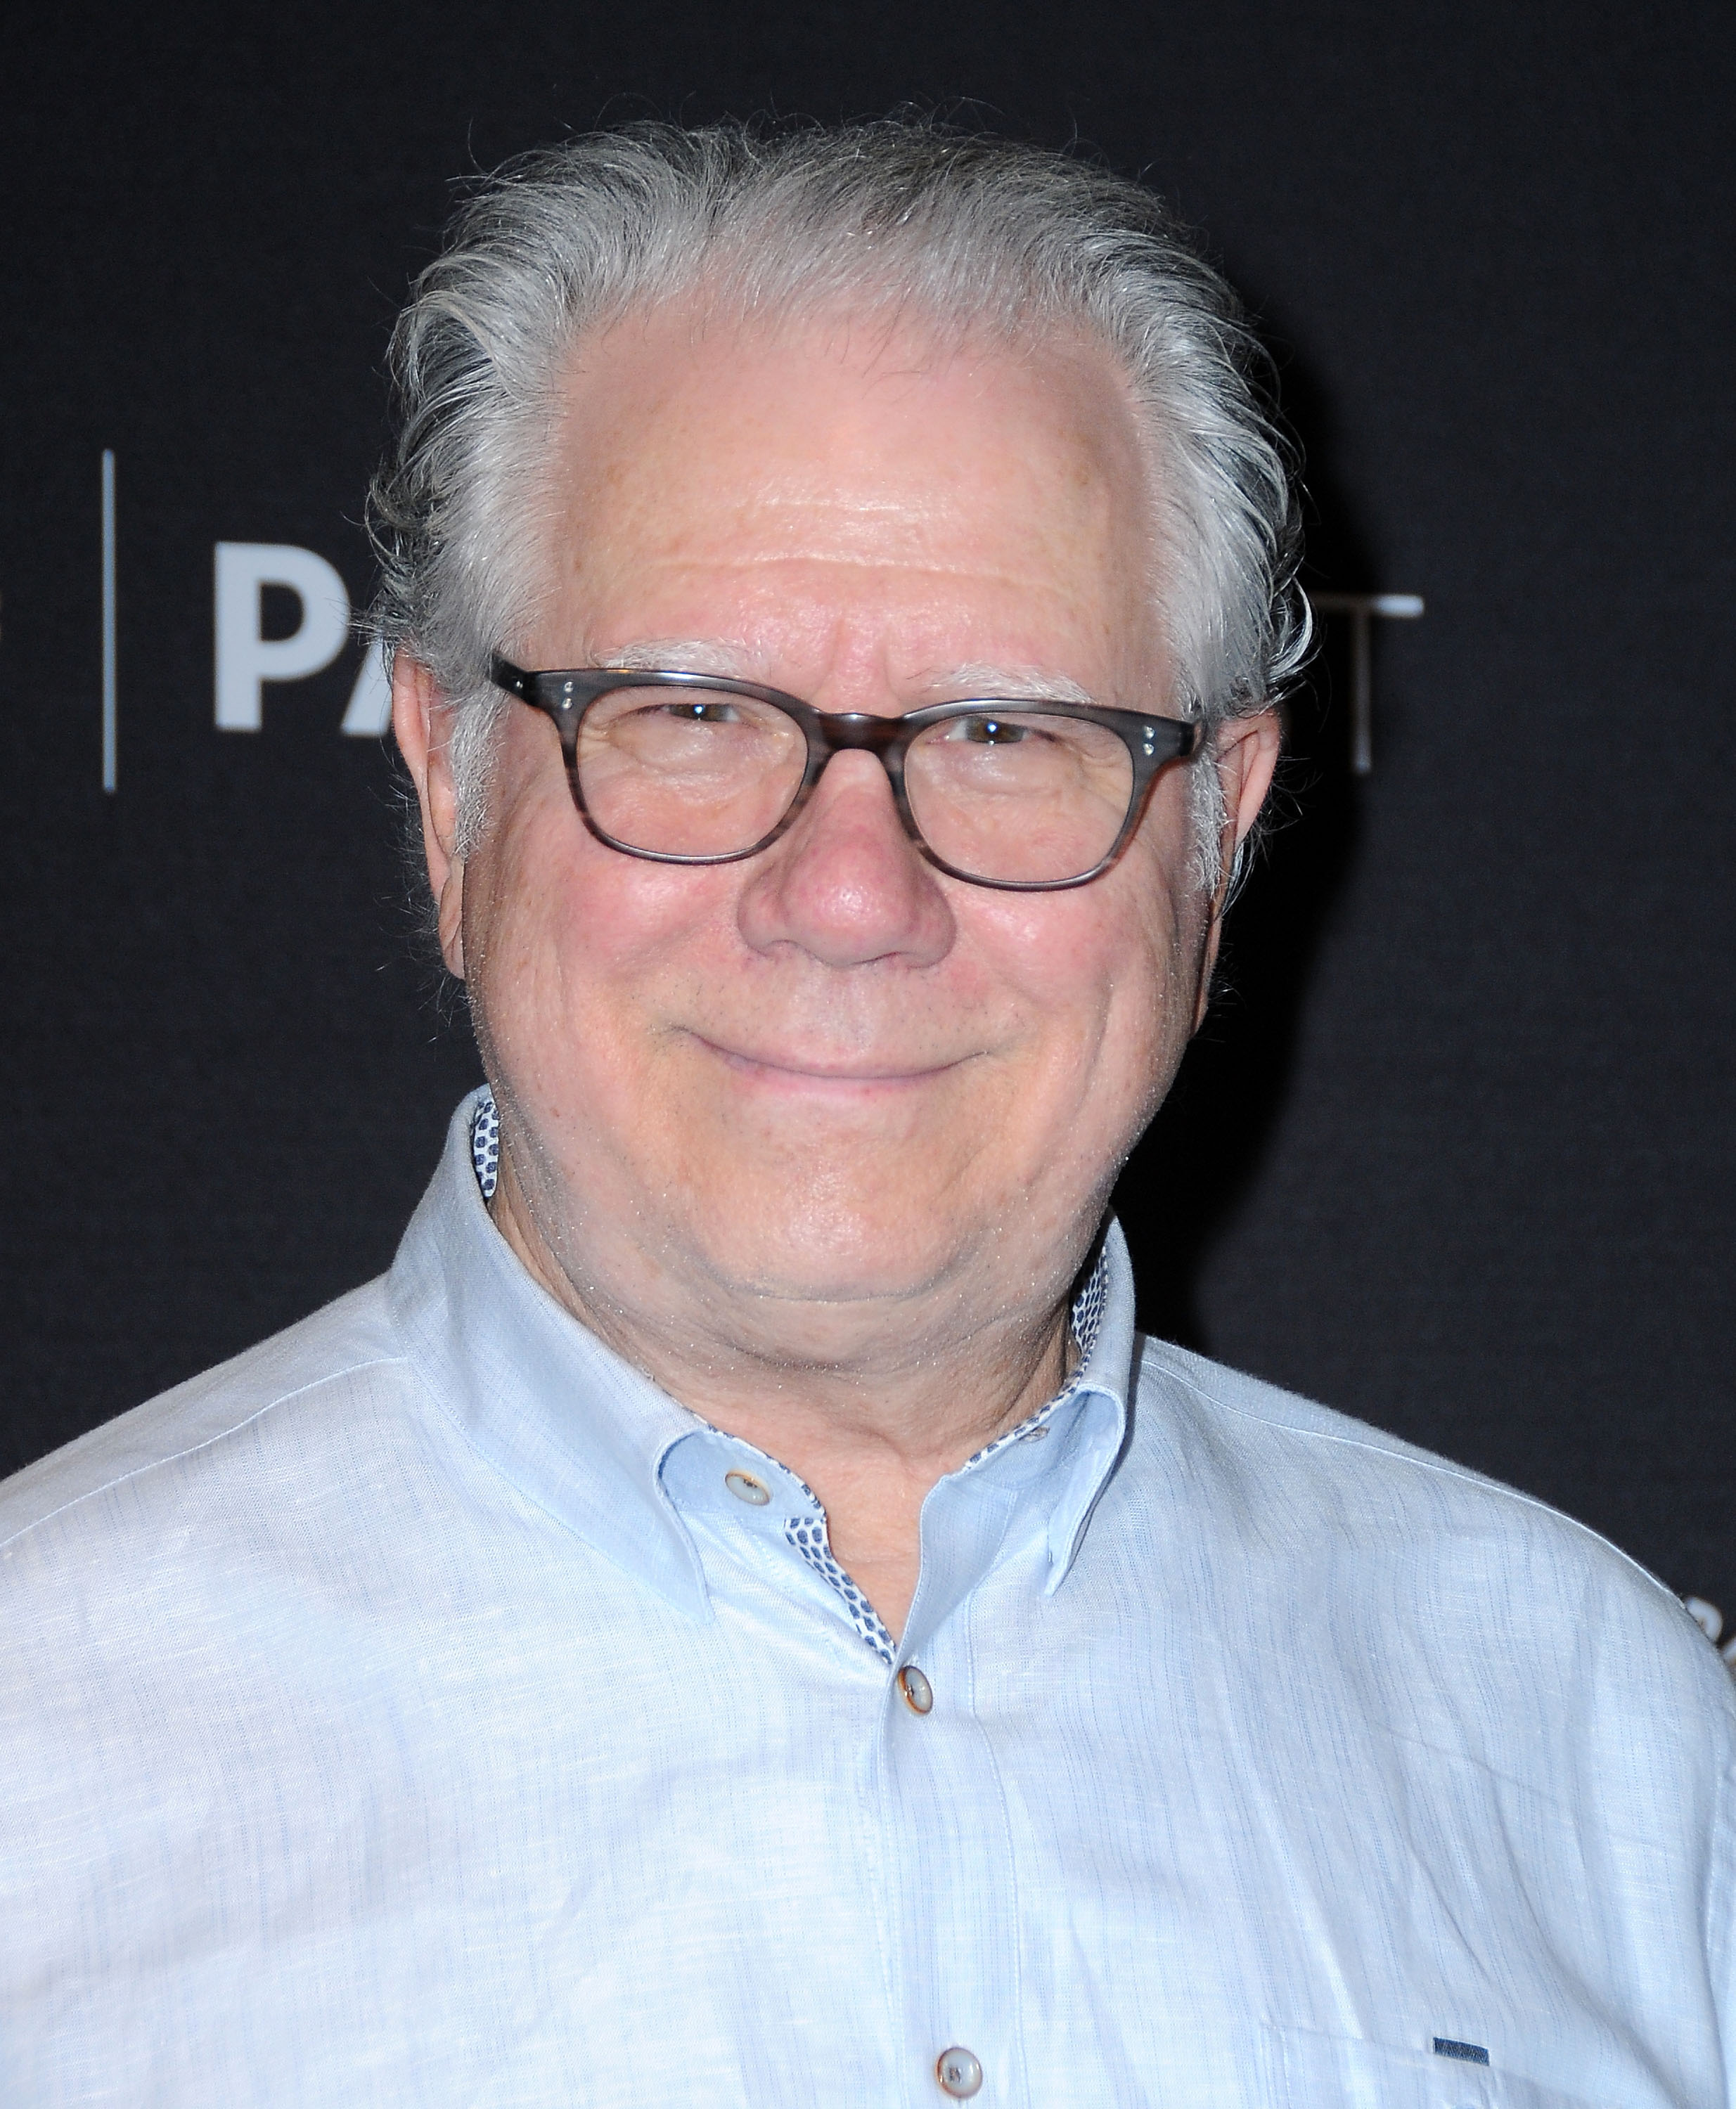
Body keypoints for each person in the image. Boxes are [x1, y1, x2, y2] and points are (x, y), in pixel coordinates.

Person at [1, 122, 1729, 2108]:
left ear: (1220, 828)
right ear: (453, 788)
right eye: (693, 714)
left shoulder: (1614, 1750)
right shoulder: (32, 1750)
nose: (847, 895)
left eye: (1007, 733)